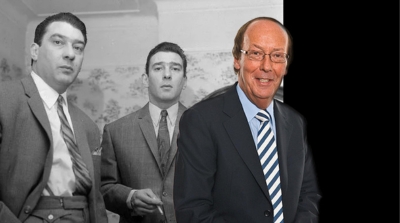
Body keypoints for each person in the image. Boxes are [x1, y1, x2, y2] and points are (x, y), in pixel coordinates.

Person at [173, 16, 321, 223]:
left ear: (285, 66)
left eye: (277, 55)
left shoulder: (295, 123)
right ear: (237, 59)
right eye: (256, 53)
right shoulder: (200, 121)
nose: (267, 66)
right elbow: (193, 211)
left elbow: (309, 196)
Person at [0, 12, 108, 223]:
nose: (70, 54)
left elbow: (97, 200)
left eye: (78, 47)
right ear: (34, 51)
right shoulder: (4, 100)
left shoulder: (88, 126)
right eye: (58, 42)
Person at [100, 41, 188, 223]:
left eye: (175, 68)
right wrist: (130, 197)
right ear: (145, 79)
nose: (167, 75)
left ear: (185, 81)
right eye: (158, 68)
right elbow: (105, 187)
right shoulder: (115, 131)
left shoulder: (204, 127)